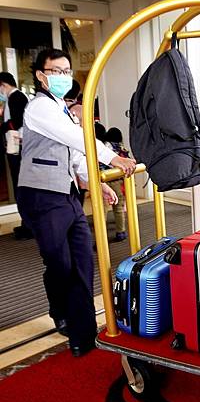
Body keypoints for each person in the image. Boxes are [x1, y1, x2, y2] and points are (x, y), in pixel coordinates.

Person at [16, 48, 136, 357]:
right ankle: (61, 312)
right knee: (60, 266)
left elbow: (76, 156)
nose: (62, 76)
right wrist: (113, 157)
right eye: (55, 71)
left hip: (68, 196)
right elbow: (77, 138)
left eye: (66, 70)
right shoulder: (39, 108)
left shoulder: (61, 108)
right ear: (41, 76)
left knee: (82, 262)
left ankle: (82, 336)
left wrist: (98, 185)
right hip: (41, 196)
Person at [0, 71, 32, 239]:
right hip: (16, 147)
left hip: (19, 148)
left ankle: (28, 224)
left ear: (3, 85)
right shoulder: (14, 98)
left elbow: (16, 121)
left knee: (21, 186)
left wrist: (3, 126)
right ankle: (26, 223)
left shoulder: (16, 97)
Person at [104, 127, 130, 242]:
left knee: (103, 207)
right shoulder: (121, 147)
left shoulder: (105, 146)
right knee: (118, 206)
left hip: (105, 179)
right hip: (118, 180)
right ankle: (121, 231)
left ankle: (102, 231)